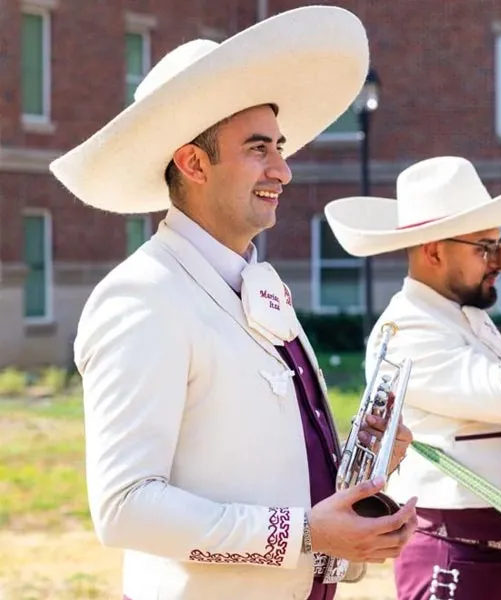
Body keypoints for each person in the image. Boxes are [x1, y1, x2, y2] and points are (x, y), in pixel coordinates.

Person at [48, 7, 416, 600]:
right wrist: (303, 534)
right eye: (258, 149)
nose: (283, 170)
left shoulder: (257, 287)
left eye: (279, 147)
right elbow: (124, 507)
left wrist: (364, 464)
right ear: (193, 163)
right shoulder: (140, 297)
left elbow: (261, 453)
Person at [322, 156, 501, 599]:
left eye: (500, 243)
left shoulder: (465, 320)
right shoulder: (407, 330)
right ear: (434, 251)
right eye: (484, 247)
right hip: (455, 553)